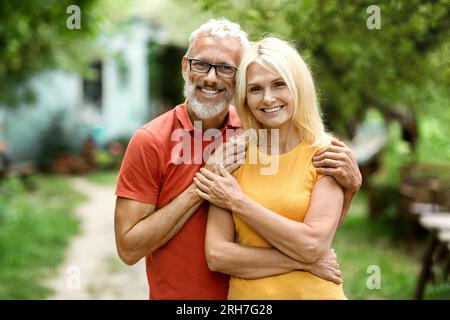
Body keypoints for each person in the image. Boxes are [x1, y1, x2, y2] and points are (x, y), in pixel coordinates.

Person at [114, 19, 362, 300]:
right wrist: (203, 186)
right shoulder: (151, 140)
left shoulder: (258, 131)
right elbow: (129, 249)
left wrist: (350, 189)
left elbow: (309, 225)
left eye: (225, 69)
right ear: (185, 67)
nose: (210, 77)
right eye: (201, 64)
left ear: (239, 77)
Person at [194, 36, 351, 299]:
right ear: (244, 98)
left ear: (298, 87)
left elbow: (313, 244)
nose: (268, 98)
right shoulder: (233, 155)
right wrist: (302, 260)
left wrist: (237, 201)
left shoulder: (327, 153)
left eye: (279, 84)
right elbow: (218, 256)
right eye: (255, 89)